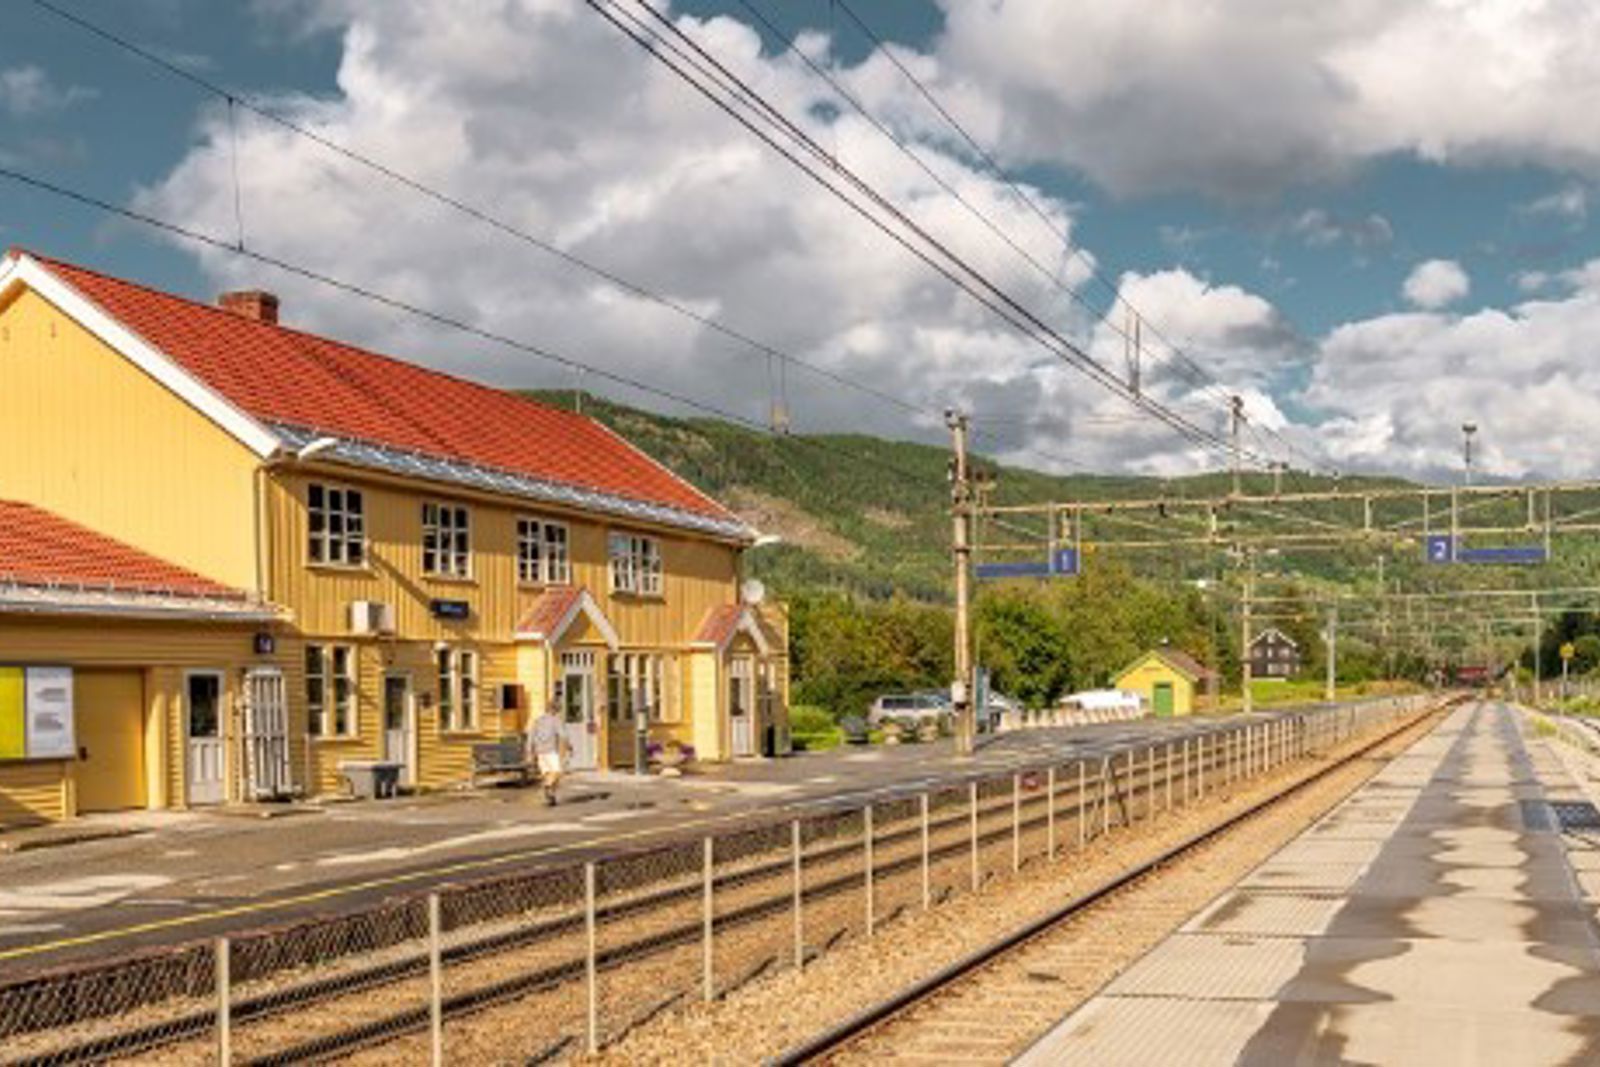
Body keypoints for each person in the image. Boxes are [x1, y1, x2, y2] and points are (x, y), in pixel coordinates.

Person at [529, 700, 568, 806]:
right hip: (551, 750)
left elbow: (531, 736)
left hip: (540, 751)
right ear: (555, 710)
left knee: (547, 773)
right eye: (559, 709)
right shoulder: (556, 720)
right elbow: (563, 735)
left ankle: (551, 797)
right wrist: (568, 746)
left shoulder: (537, 720)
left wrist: (530, 750)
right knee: (557, 772)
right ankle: (548, 786)